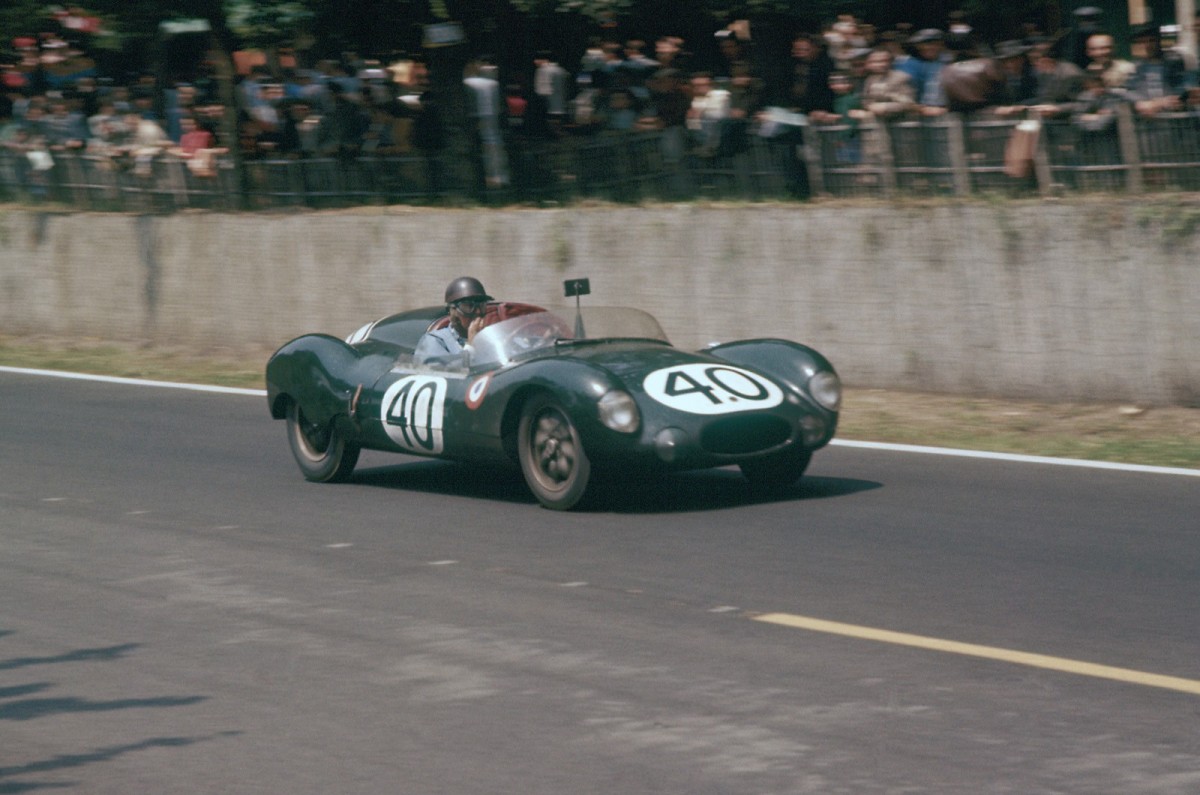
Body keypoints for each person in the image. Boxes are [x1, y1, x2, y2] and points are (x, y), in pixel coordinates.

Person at [413, 276, 494, 366]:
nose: (478, 312)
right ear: (452, 311)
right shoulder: (434, 340)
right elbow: (440, 372)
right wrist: (471, 346)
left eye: (482, 306)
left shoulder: (490, 339)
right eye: (468, 306)